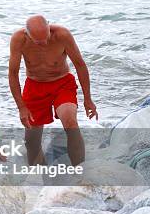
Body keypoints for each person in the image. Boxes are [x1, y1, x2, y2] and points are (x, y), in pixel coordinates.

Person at [8, 15, 98, 166]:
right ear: (27, 34)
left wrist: (88, 99)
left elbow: (80, 65)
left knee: (70, 122)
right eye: (38, 41)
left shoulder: (62, 35)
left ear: (49, 26)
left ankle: (81, 174)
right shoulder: (18, 39)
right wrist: (21, 107)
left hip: (62, 83)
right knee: (31, 141)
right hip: (34, 86)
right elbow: (13, 73)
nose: (44, 43)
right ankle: (41, 178)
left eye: (46, 37)